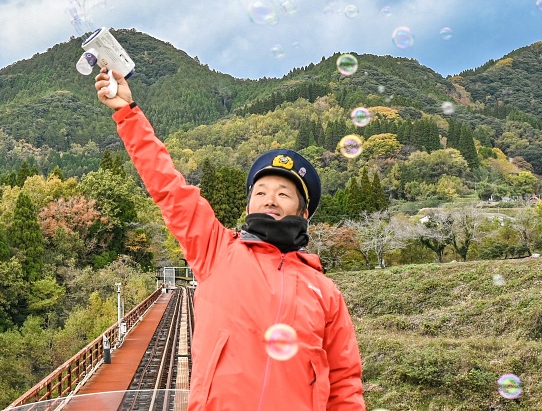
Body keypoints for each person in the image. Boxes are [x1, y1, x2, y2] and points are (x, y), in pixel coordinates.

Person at [95, 70, 365, 411]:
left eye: (284, 193)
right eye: (261, 191)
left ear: (304, 212)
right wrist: (127, 113)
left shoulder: (325, 292)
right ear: (248, 204)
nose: (270, 199)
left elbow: (345, 385)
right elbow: (168, 187)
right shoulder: (215, 249)